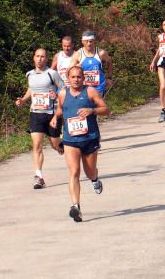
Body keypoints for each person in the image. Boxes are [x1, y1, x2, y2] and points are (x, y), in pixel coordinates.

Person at [55, 65, 109, 222]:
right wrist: (54, 118)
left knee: (89, 171)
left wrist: (92, 111)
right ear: (68, 78)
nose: (76, 79)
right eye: (73, 77)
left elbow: (106, 109)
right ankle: (75, 206)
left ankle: (94, 179)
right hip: (71, 140)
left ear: (83, 78)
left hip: (90, 137)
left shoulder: (90, 91)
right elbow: (60, 109)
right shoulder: (63, 93)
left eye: (79, 77)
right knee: (74, 172)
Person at [15, 47, 64, 189]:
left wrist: (57, 96)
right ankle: (39, 177)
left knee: (55, 145)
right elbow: (32, 89)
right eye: (37, 56)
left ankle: (62, 145)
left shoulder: (52, 74)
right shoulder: (29, 74)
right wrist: (23, 100)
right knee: (36, 146)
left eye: (42, 56)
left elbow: (63, 89)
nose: (40, 59)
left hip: (51, 114)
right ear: (33, 58)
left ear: (47, 59)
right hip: (35, 113)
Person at [77, 30, 112, 97]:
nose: (89, 44)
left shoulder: (101, 53)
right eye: (86, 41)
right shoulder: (78, 54)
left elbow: (109, 62)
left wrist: (109, 77)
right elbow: (70, 69)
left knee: (99, 107)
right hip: (84, 89)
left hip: (99, 88)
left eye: (91, 41)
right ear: (82, 41)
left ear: (94, 41)